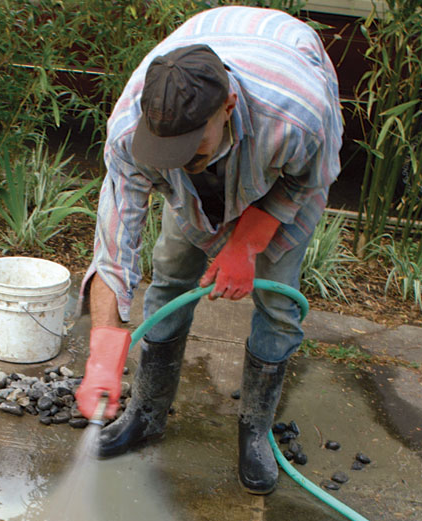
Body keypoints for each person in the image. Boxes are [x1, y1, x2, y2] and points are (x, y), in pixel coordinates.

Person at [75, 4, 343, 495]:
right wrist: (104, 350)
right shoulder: (132, 130)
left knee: (279, 299)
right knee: (173, 269)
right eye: (167, 154)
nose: (181, 162)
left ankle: (256, 430)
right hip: (217, 122)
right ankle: (147, 414)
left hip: (277, 175)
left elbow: (313, 178)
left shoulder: (297, 118)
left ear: (227, 105)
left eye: (192, 151)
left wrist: (247, 242)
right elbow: (117, 244)